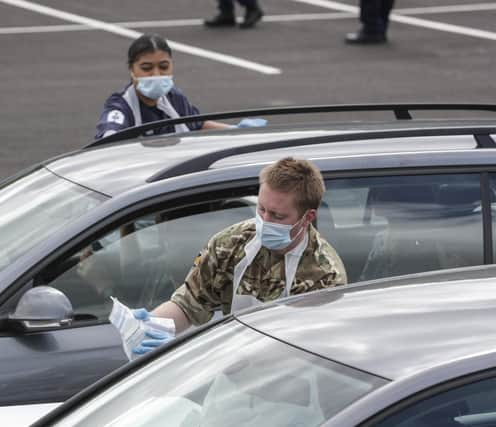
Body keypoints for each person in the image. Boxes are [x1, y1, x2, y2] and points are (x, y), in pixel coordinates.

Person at [131, 157, 348, 353]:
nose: (265, 221)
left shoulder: (325, 275)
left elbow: (305, 346)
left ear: (308, 217)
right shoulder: (231, 244)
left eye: (278, 216)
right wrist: (151, 327)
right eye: (261, 209)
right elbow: (191, 301)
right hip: (233, 369)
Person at [95, 34, 260, 140]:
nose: (156, 74)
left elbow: (197, 124)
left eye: (164, 67)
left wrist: (236, 131)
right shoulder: (120, 107)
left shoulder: (174, 97)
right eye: (146, 68)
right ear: (132, 70)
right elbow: (109, 138)